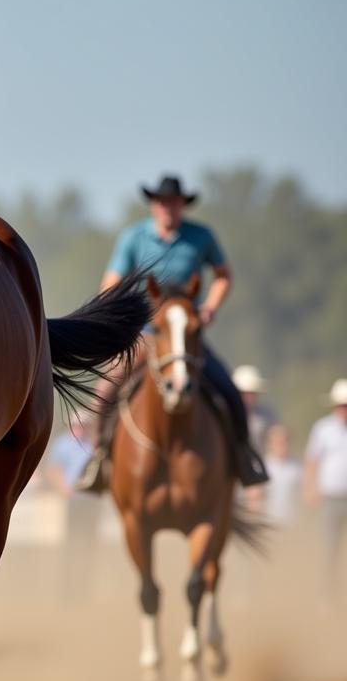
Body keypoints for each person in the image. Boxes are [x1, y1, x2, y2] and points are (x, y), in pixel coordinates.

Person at [79, 174, 267, 491]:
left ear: (183, 205)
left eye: (174, 202)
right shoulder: (133, 237)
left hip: (187, 338)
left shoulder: (201, 237)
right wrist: (119, 310)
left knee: (228, 390)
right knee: (104, 393)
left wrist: (209, 306)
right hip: (145, 334)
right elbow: (111, 280)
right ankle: (98, 460)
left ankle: (243, 457)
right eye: (163, 202)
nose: (168, 208)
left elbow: (223, 275)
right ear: (153, 205)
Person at [44, 410, 101, 599]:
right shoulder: (63, 444)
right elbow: (54, 470)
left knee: (89, 545)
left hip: (90, 502)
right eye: (77, 424)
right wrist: (64, 489)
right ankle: (67, 589)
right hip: (73, 502)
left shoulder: (91, 445)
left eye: (83, 424)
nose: (80, 427)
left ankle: (84, 588)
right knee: (71, 544)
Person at [304, 379, 347, 597]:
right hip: (330, 496)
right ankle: (326, 594)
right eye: (341, 405)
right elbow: (312, 460)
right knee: (329, 547)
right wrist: (311, 488)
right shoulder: (323, 428)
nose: (344, 409)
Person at [263, 425, 302, 526]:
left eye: (284, 441)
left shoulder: (297, 466)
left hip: (293, 522)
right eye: (277, 442)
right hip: (269, 522)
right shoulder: (262, 467)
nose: (281, 445)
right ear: (270, 443)